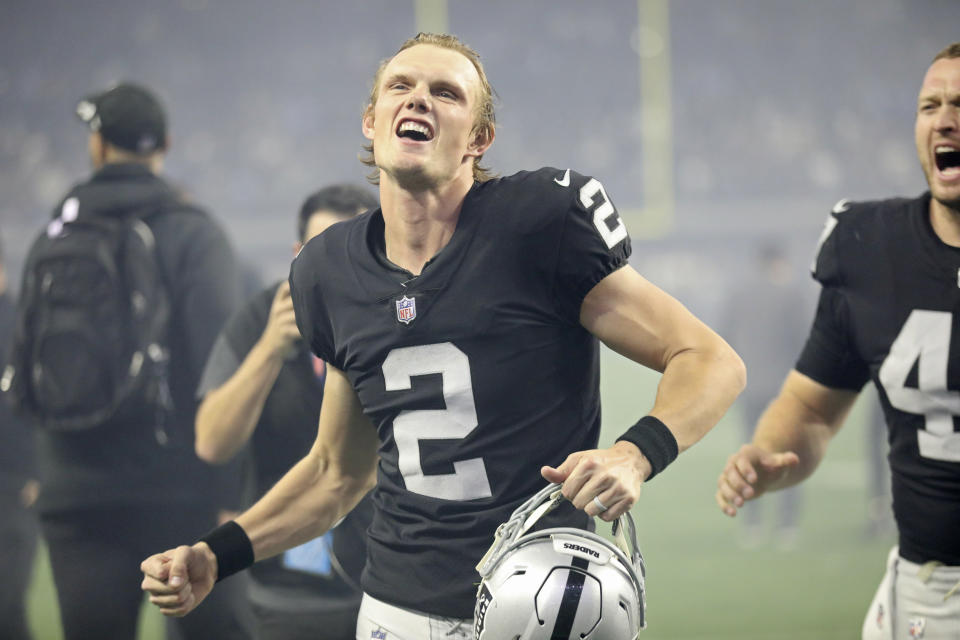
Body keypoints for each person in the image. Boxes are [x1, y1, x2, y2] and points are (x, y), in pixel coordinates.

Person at [141, 33, 746, 638]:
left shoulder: (539, 225)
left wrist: (633, 455)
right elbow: (335, 473)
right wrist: (216, 555)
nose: (419, 100)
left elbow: (710, 359)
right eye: (400, 86)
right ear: (371, 120)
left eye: (446, 93)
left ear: (479, 140)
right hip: (393, 610)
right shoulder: (328, 271)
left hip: (533, 601)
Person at [716, 43, 960, 640]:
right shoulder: (869, 248)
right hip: (927, 592)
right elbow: (811, 408)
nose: (944, 119)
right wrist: (769, 455)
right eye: (930, 104)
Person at [18, 83, 252, 640]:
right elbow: (224, 369)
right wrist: (229, 493)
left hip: (78, 496)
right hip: (182, 494)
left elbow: (25, 364)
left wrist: (41, 472)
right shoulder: (194, 233)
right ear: (164, 146)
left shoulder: (53, 235)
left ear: (97, 146)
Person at [194, 184, 378, 640]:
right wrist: (269, 351)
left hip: (390, 580)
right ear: (298, 254)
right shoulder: (261, 317)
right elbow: (212, 443)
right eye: (321, 251)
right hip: (287, 586)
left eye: (350, 251)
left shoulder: (400, 316)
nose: (335, 269)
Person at [720, 242, 809, 549]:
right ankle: (787, 525)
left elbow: (724, 338)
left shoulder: (739, 295)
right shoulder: (791, 295)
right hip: (783, 392)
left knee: (751, 456)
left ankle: (753, 524)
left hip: (749, 388)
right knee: (787, 457)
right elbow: (803, 343)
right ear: (779, 261)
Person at [0, 236, 39, 640]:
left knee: (6, 606)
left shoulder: (23, 326)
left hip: (13, 485)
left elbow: (38, 408)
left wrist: (35, 470)